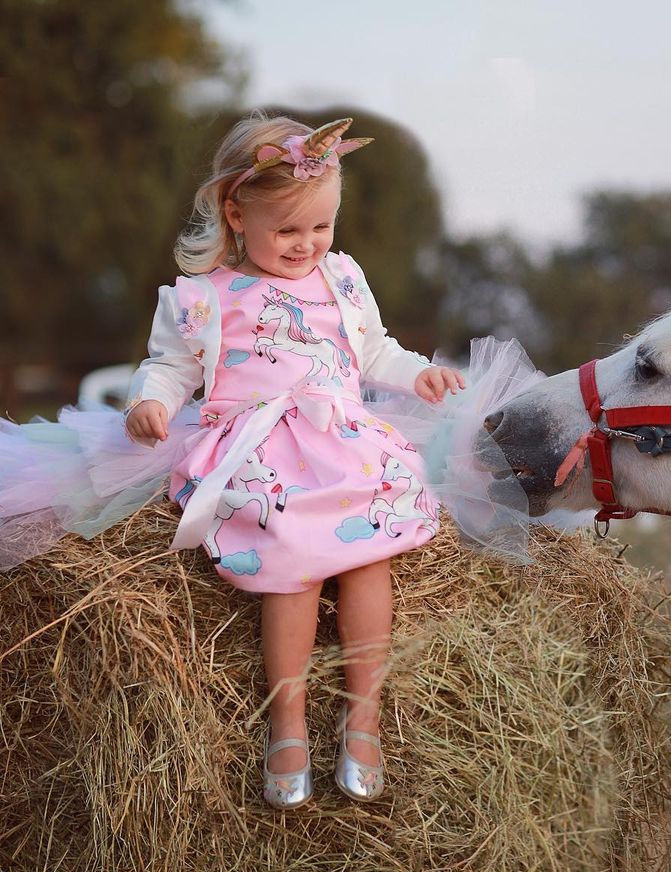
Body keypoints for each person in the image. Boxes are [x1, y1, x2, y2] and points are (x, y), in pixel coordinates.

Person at [123, 113, 463, 809]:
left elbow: (373, 351)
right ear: (235, 212)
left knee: (373, 556)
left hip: (343, 444)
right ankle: (288, 722)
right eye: (288, 231)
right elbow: (167, 366)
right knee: (294, 567)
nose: (307, 245)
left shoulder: (340, 276)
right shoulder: (204, 298)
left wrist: (417, 373)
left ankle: (362, 717)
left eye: (321, 227)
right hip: (260, 449)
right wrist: (149, 401)